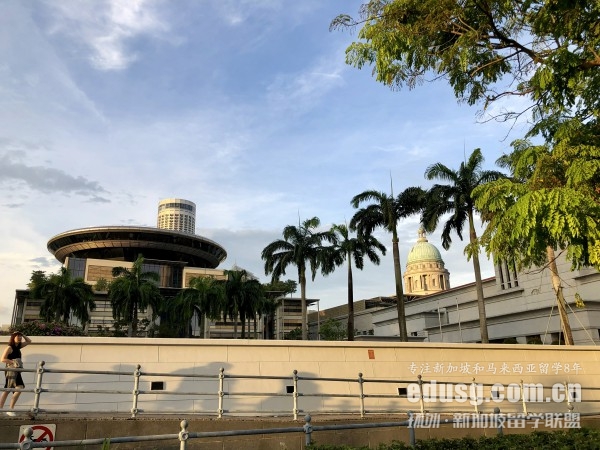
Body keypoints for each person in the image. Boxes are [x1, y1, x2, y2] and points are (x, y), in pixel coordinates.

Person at [0, 332, 31, 416]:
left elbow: (29, 341)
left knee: (7, 389)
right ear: (13, 337)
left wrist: (23, 334)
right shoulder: (9, 347)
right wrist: (13, 362)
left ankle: (1, 409)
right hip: (11, 370)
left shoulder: (18, 347)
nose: (19, 337)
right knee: (19, 387)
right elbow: (2, 359)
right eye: (17, 336)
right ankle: (10, 409)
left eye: (20, 336)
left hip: (16, 370)